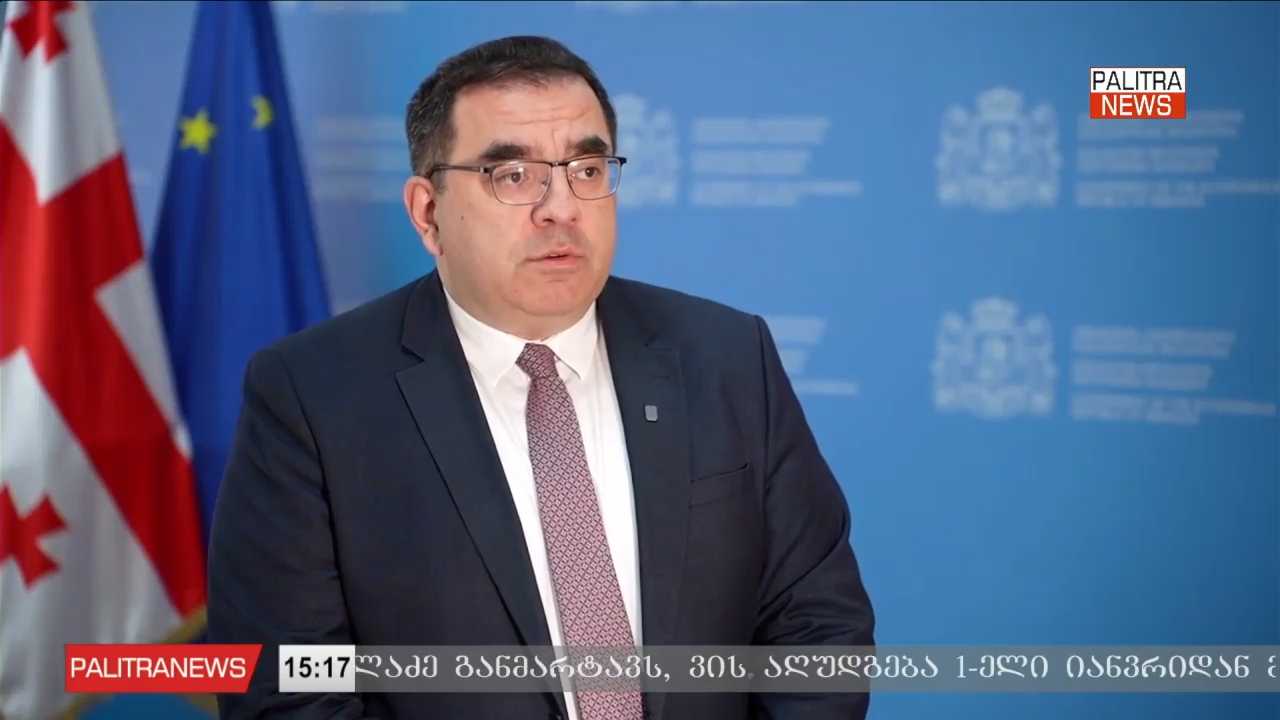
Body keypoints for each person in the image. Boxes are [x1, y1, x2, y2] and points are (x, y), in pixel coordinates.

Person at [208, 35, 874, 720]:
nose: (562, 207)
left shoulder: (727, 356)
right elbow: (291, 686)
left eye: (587, 168)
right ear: (428, 213)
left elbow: (817, 627)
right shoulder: (312, 396)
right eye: (513, 175)